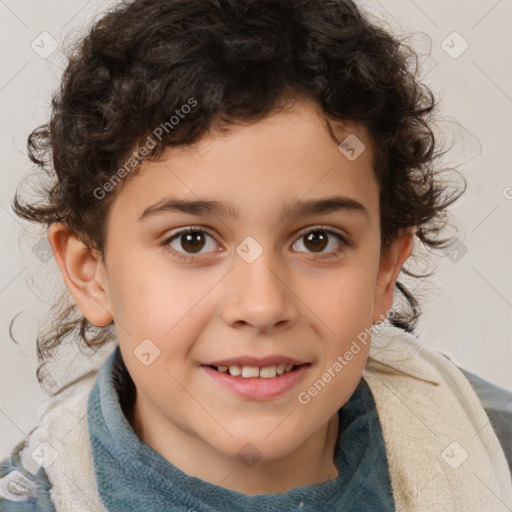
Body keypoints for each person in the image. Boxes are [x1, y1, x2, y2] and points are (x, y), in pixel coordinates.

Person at [1, 0, 511, 510]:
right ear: (91, 273)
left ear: (384, 269)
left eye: (317, 240)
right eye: (192, 241)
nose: (263, 305)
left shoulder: (490, 449)